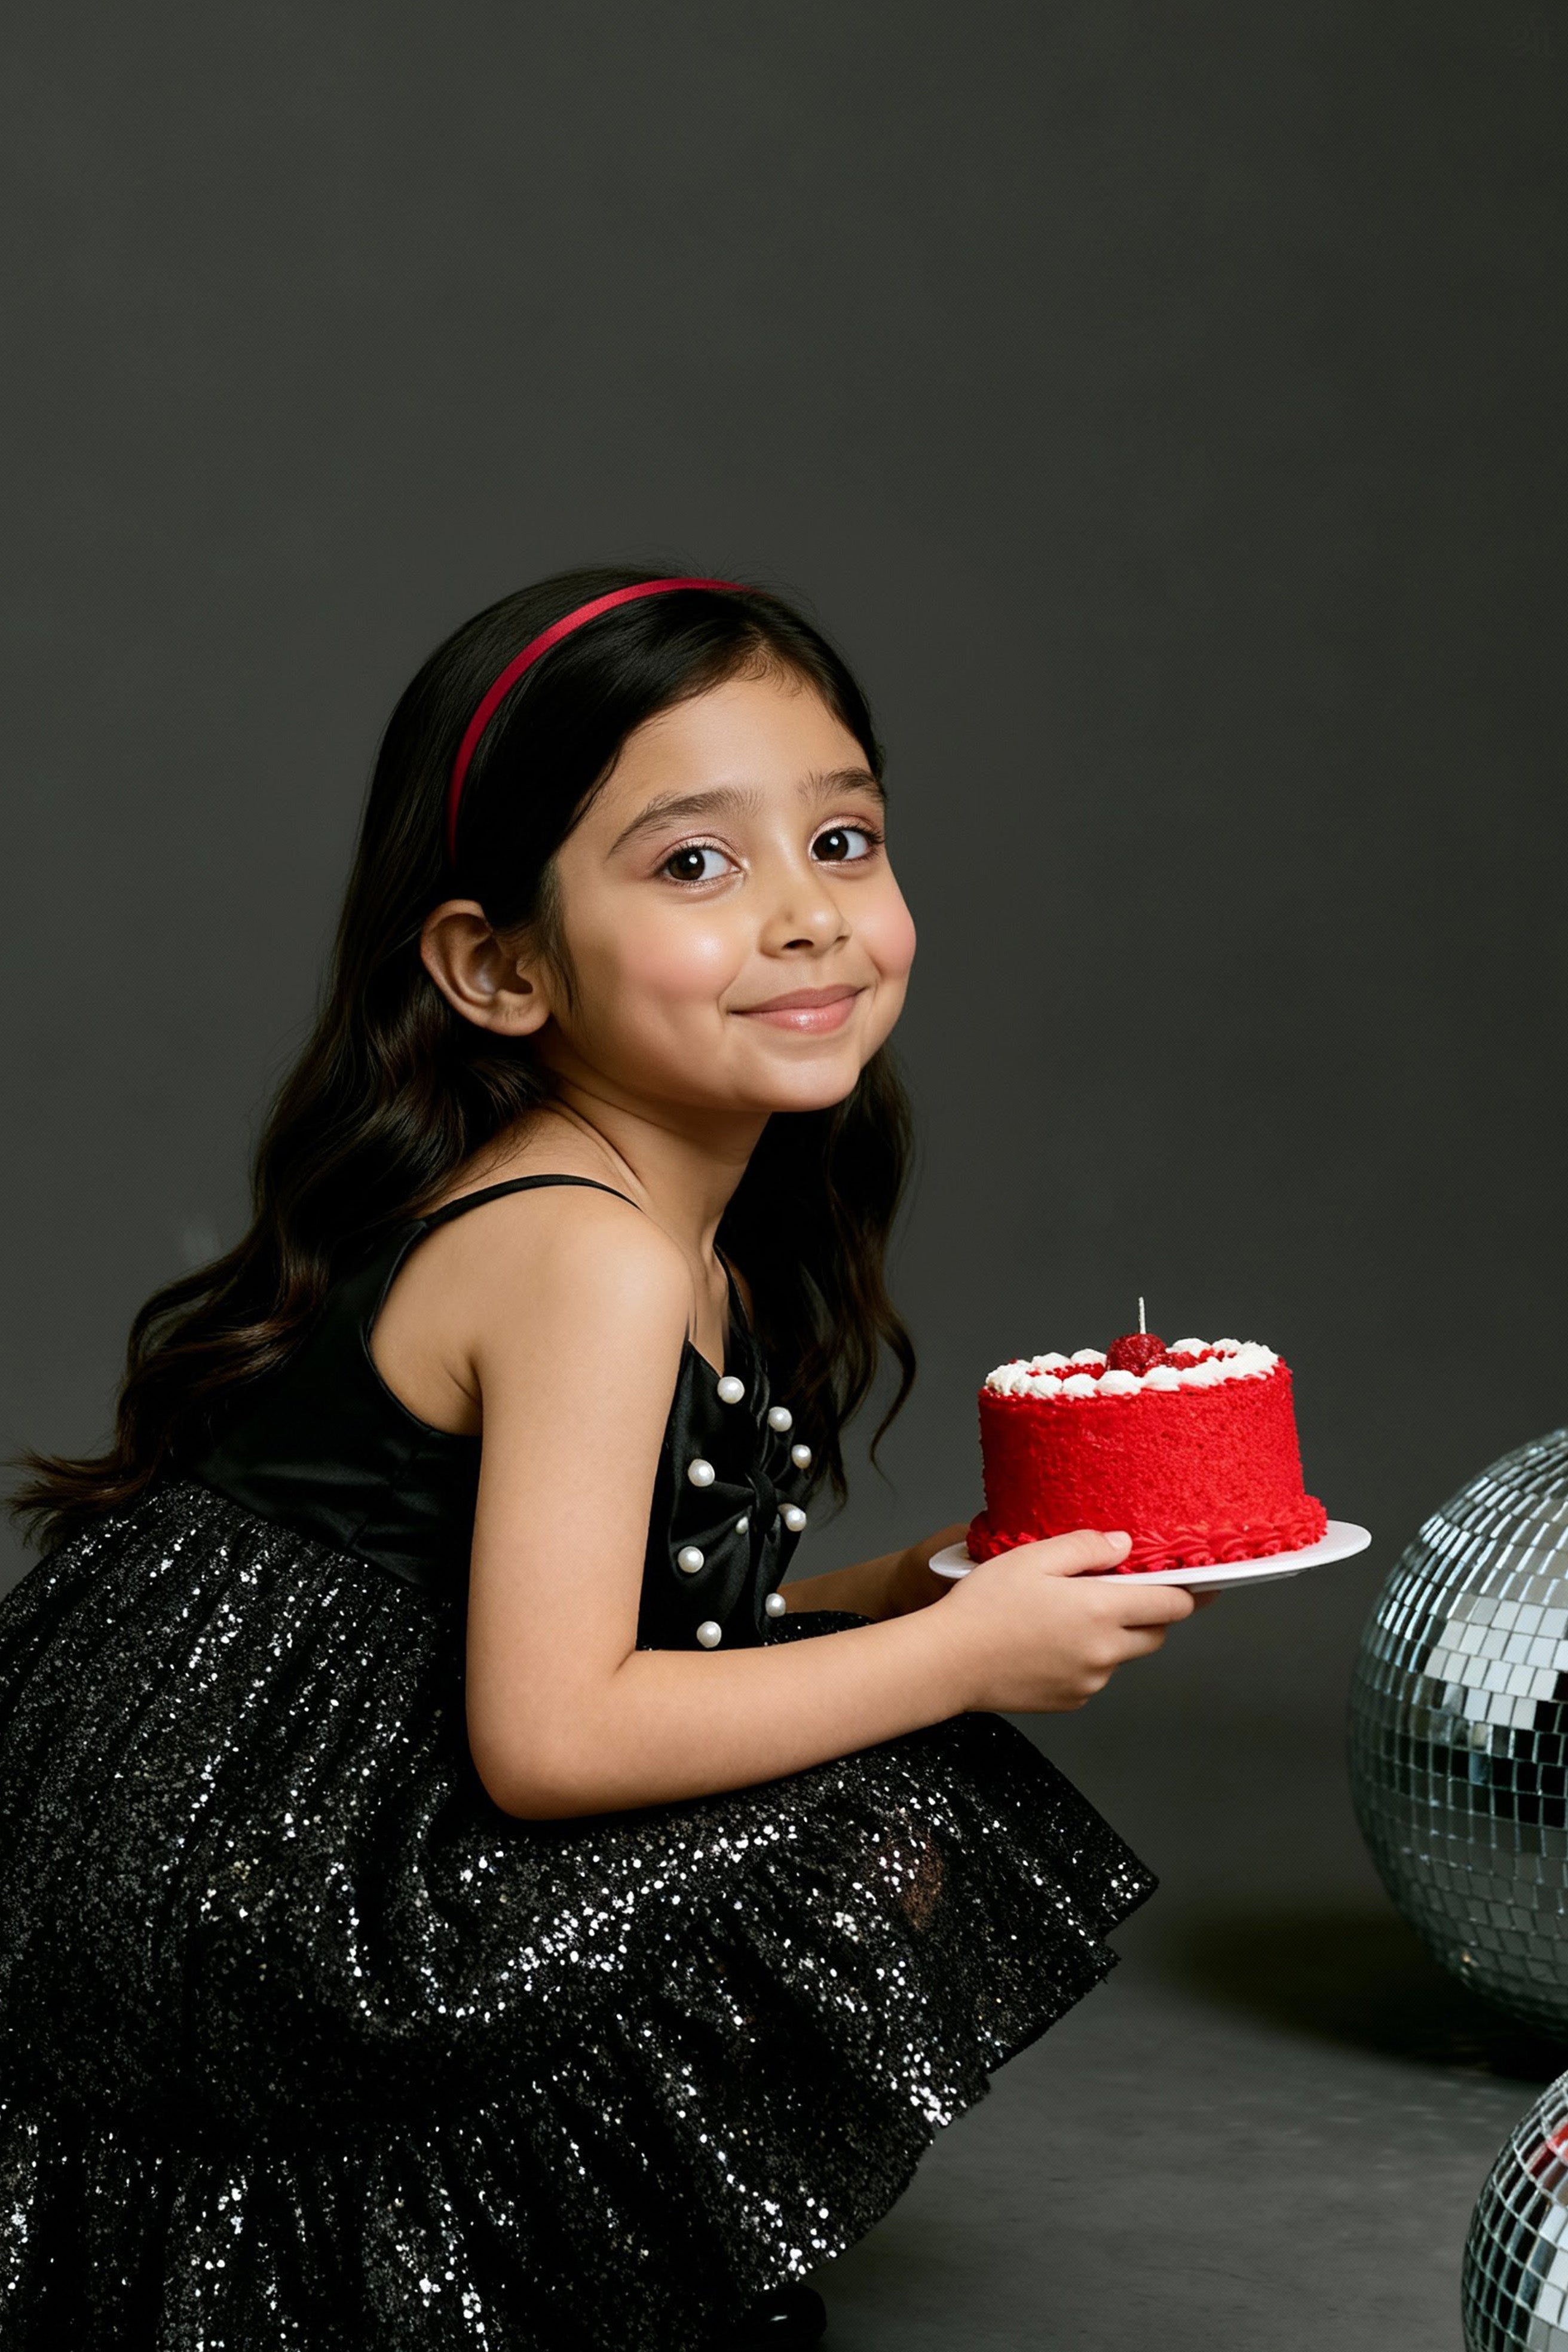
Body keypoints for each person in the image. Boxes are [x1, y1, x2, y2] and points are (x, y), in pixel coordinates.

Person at [0, 569, 1196, 2351]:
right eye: (695, 864)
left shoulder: (679, 1237)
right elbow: (556, 1734)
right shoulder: (589, 1252)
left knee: (884, 1753)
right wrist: (958, 1659)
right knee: (888, 1805)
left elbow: (625, 1619)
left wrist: (903, 1594)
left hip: (369, 1778)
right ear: (500, 967)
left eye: (845, 841)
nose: (808, 915)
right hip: (239, 1872)